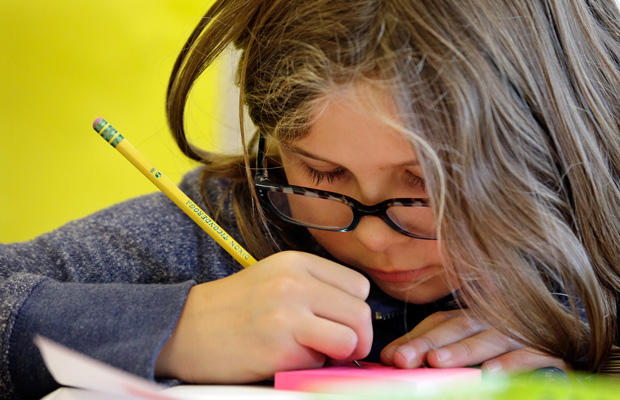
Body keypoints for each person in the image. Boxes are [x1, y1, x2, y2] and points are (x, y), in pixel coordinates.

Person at [2, 0, 620, 398]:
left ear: (558, 153)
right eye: (322, 175)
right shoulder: (227, 224)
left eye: (428, 187)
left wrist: (578, 338)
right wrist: (177, 330)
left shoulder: (601, 234)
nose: (375, 237)